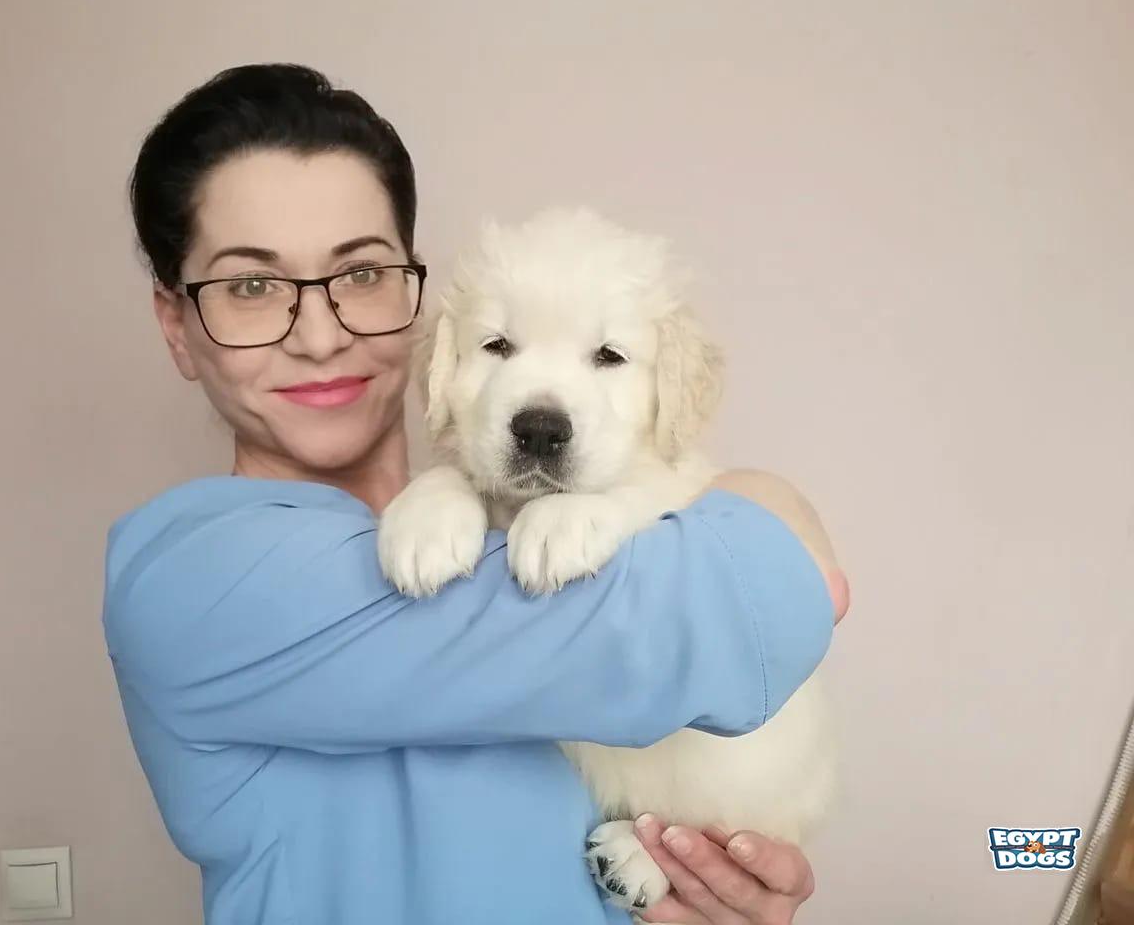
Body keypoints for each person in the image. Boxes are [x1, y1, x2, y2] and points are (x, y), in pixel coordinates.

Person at [105, 63, 850, 925]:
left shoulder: (519, 533)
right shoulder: (194, 581)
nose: (319, 335)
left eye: (360, 273)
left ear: (417, 295)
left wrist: (714, 893)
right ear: (177, 326)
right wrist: (771, 502)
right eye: (252, 286)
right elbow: (749, 612)